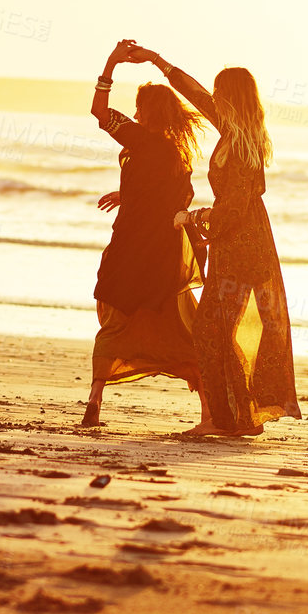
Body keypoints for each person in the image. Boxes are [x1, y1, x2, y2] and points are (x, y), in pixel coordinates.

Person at [129, 45, 300, 436]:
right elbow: (194, 94)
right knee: (221, 330)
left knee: (211, 329)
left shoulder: (241, 146)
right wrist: (158, 62)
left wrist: (191, 217)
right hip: (235, 244)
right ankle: (238, 418)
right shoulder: (235, 132)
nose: (212, 96)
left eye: (219, 91)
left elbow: (234, 208)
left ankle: (226, 420)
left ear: (231, 97)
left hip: (243, 246)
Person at [84, 40, 210, 429]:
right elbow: (175, 201)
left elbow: (99, 111)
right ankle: (208, 410)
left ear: (145, 113)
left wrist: (111, 63)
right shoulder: (178, 156)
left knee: (115, 319)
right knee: (178, 325)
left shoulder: (138, 139)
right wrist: (130, 193)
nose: (134, 113)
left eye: (139, 109)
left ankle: (95, 399)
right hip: (163, 253)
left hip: (127, 247)